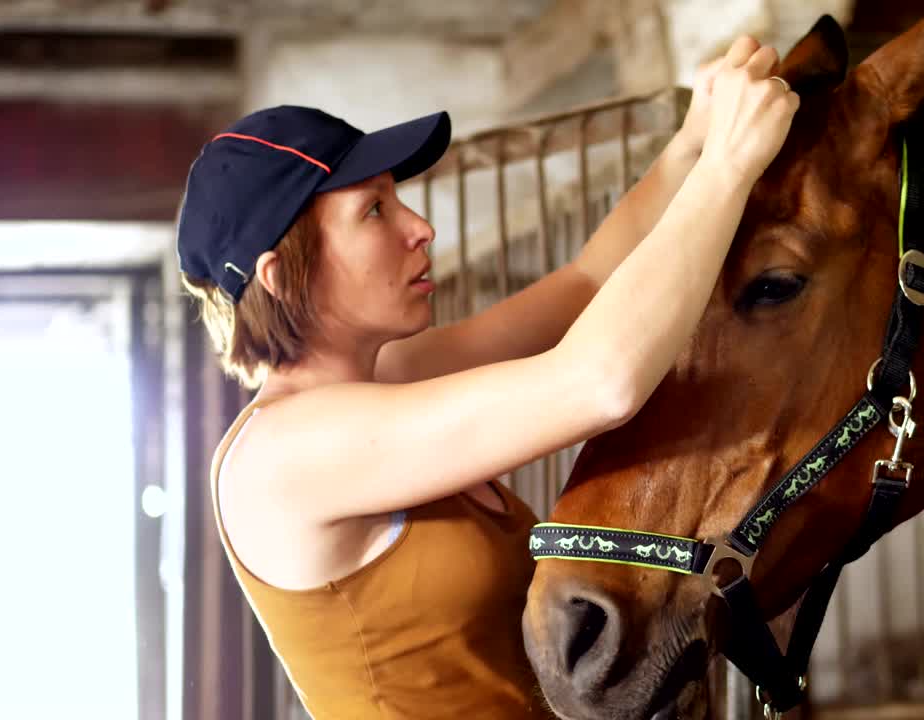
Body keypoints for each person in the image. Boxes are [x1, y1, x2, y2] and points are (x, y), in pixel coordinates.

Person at [175, 35, 798, 720]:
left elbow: (585, 283)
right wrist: (731, 169)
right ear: (283, 275)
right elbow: (599, 383)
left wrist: (693, 143)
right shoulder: (283, 454)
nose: (420, 227)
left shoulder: (390, 379)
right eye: (374, 210)